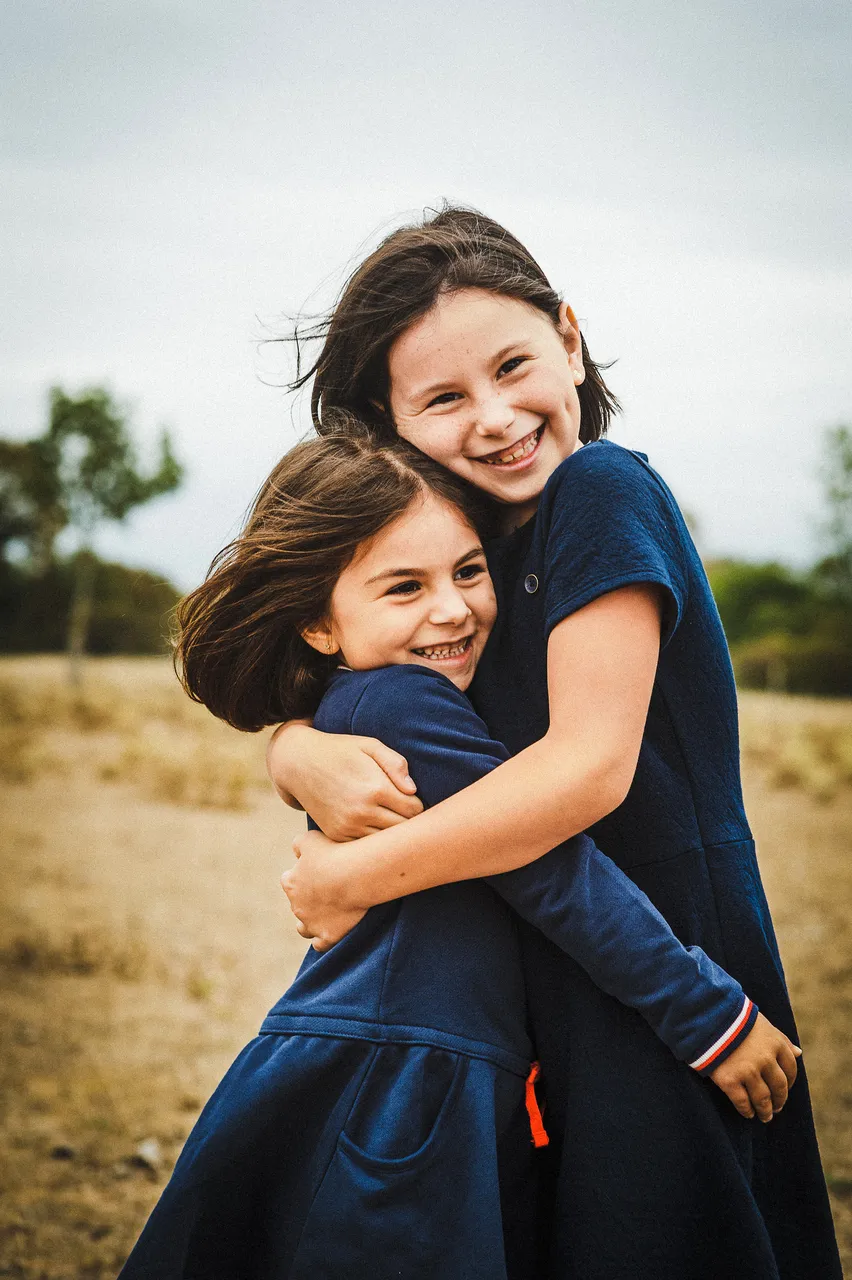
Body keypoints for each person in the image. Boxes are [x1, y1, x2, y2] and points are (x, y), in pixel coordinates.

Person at [270, 207, 842, 1279]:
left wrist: (354, 870)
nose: (494, 417)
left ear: (570, 342)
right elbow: (395, 708)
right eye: (443, 398)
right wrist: (293, 748)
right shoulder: (466, 554)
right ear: (387, 425)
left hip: (675, 946)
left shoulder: (600, 488)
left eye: (514, 365)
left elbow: (587, 768)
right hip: (563, 959)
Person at [119, 425, 795, 1280]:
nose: (453, 608)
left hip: (425, 1060)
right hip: (405, 1077)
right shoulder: (406, 701)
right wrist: (706, 1013)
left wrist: (290, 747)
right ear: (321, 626)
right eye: (405, 586)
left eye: (469, 571)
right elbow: (548, 866)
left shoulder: (377, 694)